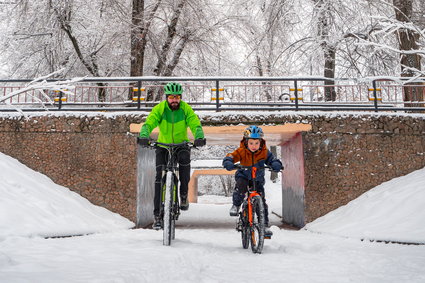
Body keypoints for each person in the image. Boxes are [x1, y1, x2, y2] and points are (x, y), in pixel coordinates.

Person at [138, 82, 206, 230]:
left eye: (177, 97)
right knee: (158, 178)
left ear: (180, 97)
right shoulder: (160, 109)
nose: (174, 100)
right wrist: (144, 135)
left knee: (184, 167)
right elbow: (149, 122)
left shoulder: (185, 109)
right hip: (163, 145)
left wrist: (199, 136)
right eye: (171, 97)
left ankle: (183, 195)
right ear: (167, 97)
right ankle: (157, 216)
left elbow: (195, 123)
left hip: (181, 145)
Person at [222, 125, 282, 237]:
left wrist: (275, 164)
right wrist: (228, 162)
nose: (254, 146)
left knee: (262, 203)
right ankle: (236, 205)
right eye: (251, 143)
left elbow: (273, 159)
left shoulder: (264, 152)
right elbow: (230, 156)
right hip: (243, 176)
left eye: (256, 143)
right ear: (246, 142)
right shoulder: (241, 151)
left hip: (257, 179)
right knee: (241, 187)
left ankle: (264, 226)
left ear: (261, 142)